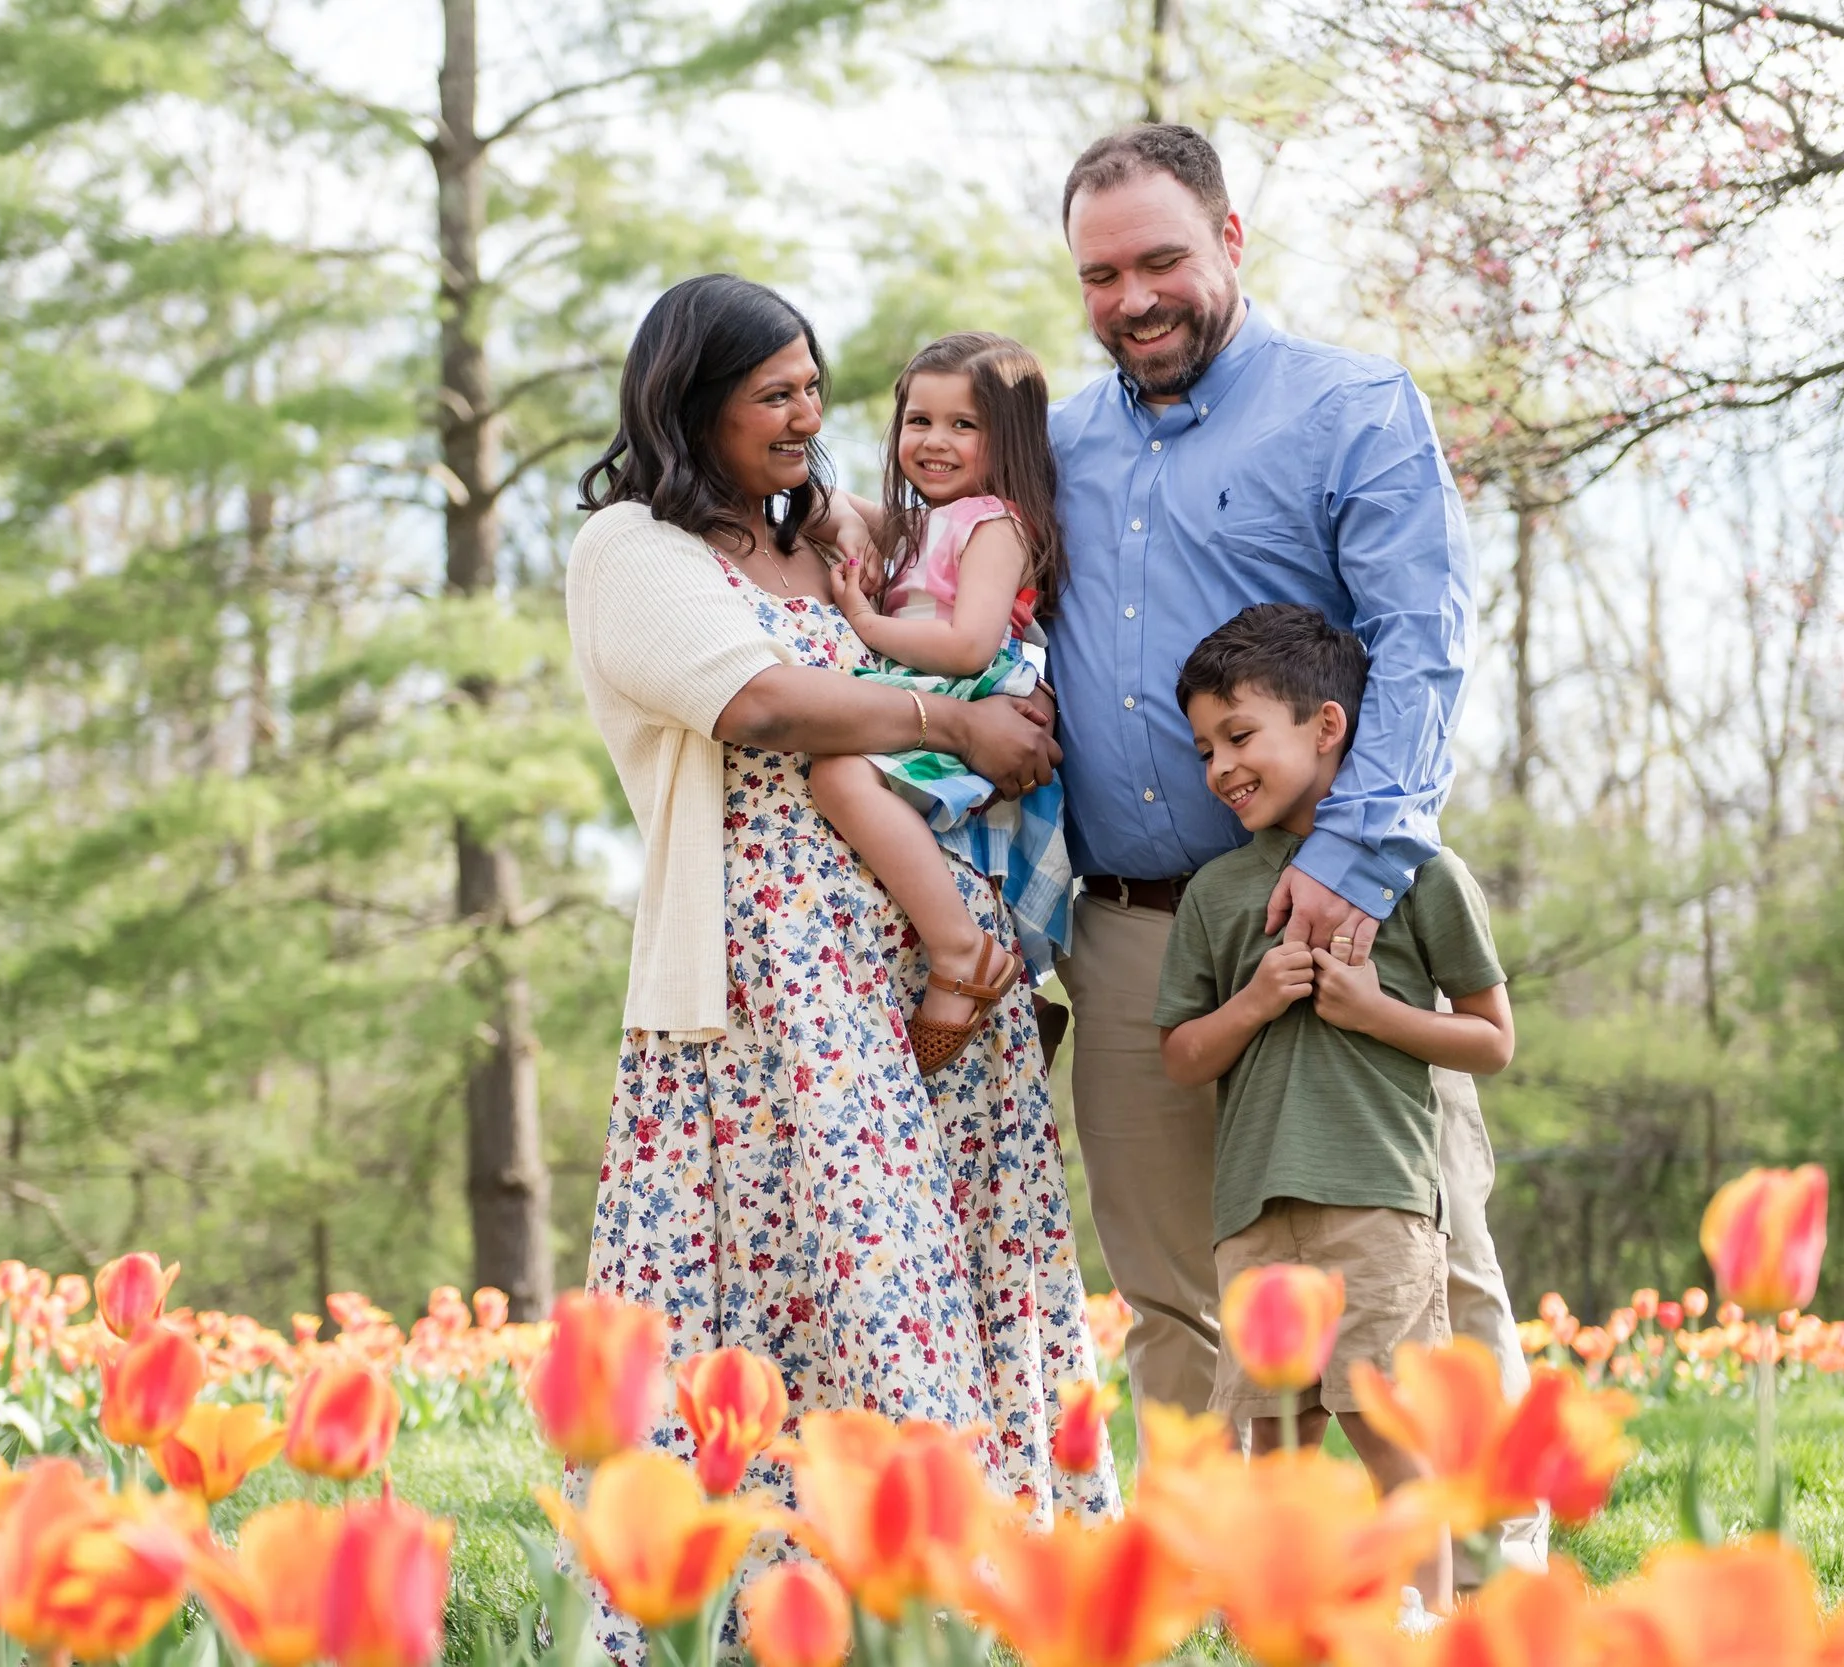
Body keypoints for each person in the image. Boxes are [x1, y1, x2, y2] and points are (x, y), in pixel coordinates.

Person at [560, 274, 1117, 1660]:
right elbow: (757, 701)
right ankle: (773, 1605)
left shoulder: (835, 532)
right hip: (774, 977)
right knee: (816, 1270)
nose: (807, 415)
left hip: (932, 958)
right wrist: (952, 716)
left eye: (814, 386)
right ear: (692, 406)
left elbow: (974, 600)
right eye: (772, 395)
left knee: (958, 1253)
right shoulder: (632, 549)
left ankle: (982, 1599)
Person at [1044, 122, 1546, 1573]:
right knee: (1174, 1284)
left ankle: (1491, 1577)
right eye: (1098, 275)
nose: (1132, 298)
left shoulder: (1350, 408)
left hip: (1335, 915)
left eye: (1159, 260)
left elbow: (1422, 647)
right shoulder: (1061, 444)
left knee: (1420, 1257)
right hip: (1136, 920)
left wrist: (1359, 866)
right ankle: (1225, 1575)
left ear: (1230, 240)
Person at [1156, 604, 1515, 1616]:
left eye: (1239, 735)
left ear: (1327, 725)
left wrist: (1374, 1010)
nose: (1220, 766)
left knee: (1387, 1418)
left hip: (1380, 1200)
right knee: (1272, 1432)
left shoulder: (1418, 870)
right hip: (1252, 1211)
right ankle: (1281, 1619)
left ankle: (1425, 1618)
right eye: (1203, 748)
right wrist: (1257, 998)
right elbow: (1182, 1054)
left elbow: (1491, 1038)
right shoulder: (1217, 893)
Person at [812, 333, 1074, 1070]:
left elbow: (967, 645)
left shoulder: (992, 523)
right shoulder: (926, 519)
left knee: (836, 772)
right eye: (918, 421)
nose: (935, 441)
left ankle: (962, 952)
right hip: (934, 689)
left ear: (1007, 439)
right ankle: (1022, 993)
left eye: (964, 425)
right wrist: (852, 525)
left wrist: (865, 624)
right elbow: (823, 501)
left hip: (971, 688)